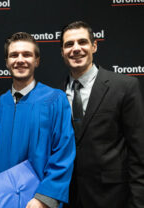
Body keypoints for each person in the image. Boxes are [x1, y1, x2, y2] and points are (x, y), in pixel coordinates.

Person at [60, 21, 144, 208]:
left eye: (82, 42)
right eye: (69, 44)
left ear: (94, 46)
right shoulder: (55, 95)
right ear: (62, 52)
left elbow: (139, 154)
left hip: (113, 198)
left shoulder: (124, 87)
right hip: (68, 198)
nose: (76, 49)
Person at [0, 32, 76, 208]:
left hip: (38, 202)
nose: (20, 60)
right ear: (6, 62)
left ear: (37, 61)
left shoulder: (54, 100)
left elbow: (63, 153)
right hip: (0, 200)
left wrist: (45, 198)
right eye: (14, 55)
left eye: (27, 55)